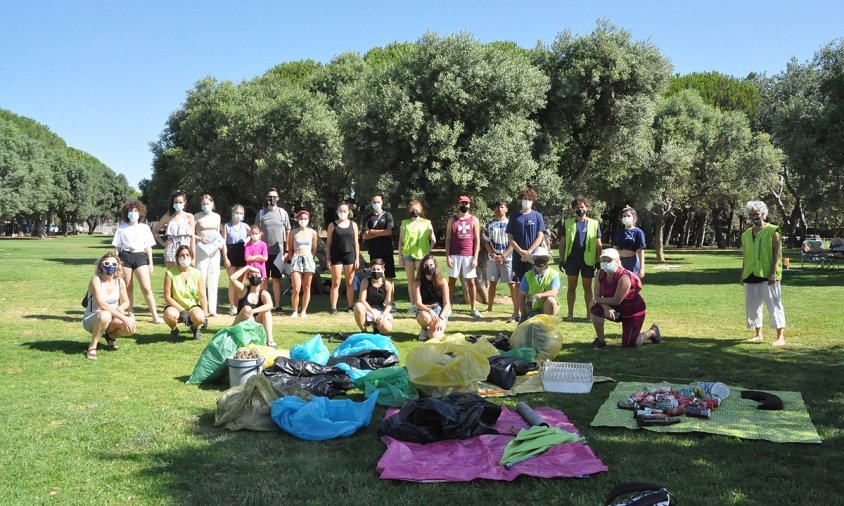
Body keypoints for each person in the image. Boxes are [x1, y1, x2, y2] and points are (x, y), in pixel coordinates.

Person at [589, 248, 660, 349]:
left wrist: (597, 301)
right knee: (595, 309)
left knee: (630, 344)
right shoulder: (599, 274)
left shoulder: (624, 277)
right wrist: (604, 306)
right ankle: (600, 341)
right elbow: (597, 296)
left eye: (609, 260)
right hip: (615, 310)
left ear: (618, 262)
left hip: (633, 312)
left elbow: (616, 300)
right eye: (603, 260)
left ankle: (653, 331)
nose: (605, 263)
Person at [741, 200, 786, 346]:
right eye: (751, 214)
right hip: (750, 274)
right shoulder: (746, 234)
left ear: (763, 214)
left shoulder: (773, 230)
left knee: (774, 304)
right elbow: (746, 255)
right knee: (752, 306)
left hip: (768, 274)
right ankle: (758, 334)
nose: (754, 217)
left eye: (757, 214)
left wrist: (773, 272)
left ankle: (780, 337)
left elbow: (777, 253)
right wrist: (742, 274)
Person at [112, 200, 162, 323]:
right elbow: (117, 248)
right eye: (130, 211)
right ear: (126, 213)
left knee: (146, 287)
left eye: (135, 211)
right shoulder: (121, 228)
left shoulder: (144, 228)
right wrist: (116, 262)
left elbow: (148, 247)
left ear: (140, 213)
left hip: (140, 257)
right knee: (128, 288)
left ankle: (155, 315)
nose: (133, 213)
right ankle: (130, 313)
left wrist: (150, 263)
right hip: (125, 257)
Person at [83, 251, 137, 360]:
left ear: (118, 266)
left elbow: (126, 302)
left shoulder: (119, 281)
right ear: (101, 265)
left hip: (112, 317)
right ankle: (92, 347)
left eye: (114, 264)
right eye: (107, 264)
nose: (110, 267)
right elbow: (102, 305)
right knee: (105, 315)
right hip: (93, 318)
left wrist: (121, 308)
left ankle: (111, 337)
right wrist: (124, 318)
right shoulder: (96, 280)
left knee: (130, 328)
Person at [559, 196, 602, 320]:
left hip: (588, 260)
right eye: (577, 207)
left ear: (587, 208)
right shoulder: (568, 223)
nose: (580, 209)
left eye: (582, 207)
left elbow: (598, 244)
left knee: (587, 288)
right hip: (572, 260)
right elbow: (562, 243)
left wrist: (598, 260)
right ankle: (570, 314)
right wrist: (561, 259)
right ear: (573, 209)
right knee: (571, 288)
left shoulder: (594, 224)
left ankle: (590, 315)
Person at [445, 195, 482, 318]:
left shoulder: (474, 220)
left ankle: (473, 308)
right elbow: (448, 239)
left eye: (466, 203)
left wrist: (476, 257)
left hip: (469, 255)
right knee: (452, 282)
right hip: (455, 254)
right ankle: (449, 307)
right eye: (462, 203)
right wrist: (447, 256)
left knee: (471, 282)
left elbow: (477, 240)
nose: (464, 206)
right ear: (458, 205)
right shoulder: (452, 220)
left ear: (469, 205)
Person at [163, 245, 208, 342]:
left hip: (192, 306)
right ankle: (174, 330)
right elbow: (167, 297)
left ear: (191, 257)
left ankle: (195, 328)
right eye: (182, 255)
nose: (185, 257)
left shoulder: (197, 273)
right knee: (169, 315)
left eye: (187, 255)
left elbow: (202, 295)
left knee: (199, 317)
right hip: (175, 306)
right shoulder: (170, 274)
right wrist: (182, 310)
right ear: (177, 258)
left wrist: (206, 314)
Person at [483, 200, 519, 322]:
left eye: (502, 207)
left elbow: (513, 243)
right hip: (493, 259)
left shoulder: (511, 224)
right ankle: (489, 308)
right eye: (497, 207)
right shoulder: (489, 225)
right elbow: (486, 242)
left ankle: (516, 309)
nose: (499, 210)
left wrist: (503, 256)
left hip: (508, 259)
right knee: (492, 283)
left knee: (512, 284)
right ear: (494, 210)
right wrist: (494, 255)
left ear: (506, 209)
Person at [257, 187, 291, 313]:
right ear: (266, 198)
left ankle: (277, 305)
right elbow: (257, 231)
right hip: (263, 253)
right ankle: (266, 305)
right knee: (264, 279)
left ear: (278, 198)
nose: (272, 199)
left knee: (276, 279)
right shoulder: (261, 213)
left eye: (274, 197)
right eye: (270, 197)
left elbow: (288, 231)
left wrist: (287, 250)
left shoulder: (283, 213)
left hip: (279, 253)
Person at [398, 200, 436, 313]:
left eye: (417, 209)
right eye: (412, 209)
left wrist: (427, 252)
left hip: (421, 255)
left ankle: (422, 303)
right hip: (407, 254)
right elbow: (400, 241)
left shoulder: (427, 222)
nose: (415, 211)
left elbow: (433, 239)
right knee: (410, 281)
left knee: (421, 280)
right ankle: (413, 304)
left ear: (420, 210)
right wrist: (400, 256)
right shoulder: (404, 223)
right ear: (409, 210)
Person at [507, 188, 547, 286]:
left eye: (529, 199)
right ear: (521, 199)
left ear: (533, 201)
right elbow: (510, 237)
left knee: (533, 283)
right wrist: (521, 252)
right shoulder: (514, 216)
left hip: (533, 257)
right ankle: (518, 302)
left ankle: (532, 302)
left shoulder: (538, 216)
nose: (527, 201)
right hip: (517, 257)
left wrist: (528, 253)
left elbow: (540, 236)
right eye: (525, 198)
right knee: (517, 284)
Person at [229, 265, 276, 347]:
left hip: (255, 323)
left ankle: (270, 341)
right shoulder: (243, 290)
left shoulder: (264, 294)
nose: (254, 276)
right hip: (240, 323)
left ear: (262, 278)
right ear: (248, 278)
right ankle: (252, 339)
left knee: (267, 312)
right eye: (251, 275)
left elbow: (270, 305)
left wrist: (253, 311)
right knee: (247, 308)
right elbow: (232, 278)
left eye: (256, 274)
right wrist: (247, 268)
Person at [326, 201, 361, 314]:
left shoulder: (353, 225)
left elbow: (356, 242)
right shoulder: (332, 225)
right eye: (340, 211)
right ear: (337, 212)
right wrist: (328, 258)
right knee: (335, 282)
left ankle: (350, 306)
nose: (342, 213)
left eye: (344, 211)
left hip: (349, 255)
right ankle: (333, 307)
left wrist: (357, 259)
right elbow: (329, 243)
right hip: (336, 256)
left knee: (349, 282)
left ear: (348, 212)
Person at [194, 194, 223, 317]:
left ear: (212, 204)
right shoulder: (197, 216)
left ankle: (212, 309)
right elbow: (191, 233)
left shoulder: (217, 217)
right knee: (201, 277)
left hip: (214, 250)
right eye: (203, 204)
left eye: (208, 203)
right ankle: (201, 307)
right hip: (201, 250)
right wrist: (199, 238)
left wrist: (220, 244)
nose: (206, 205)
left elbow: (218, 232)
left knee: (214, 277)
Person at [286, 210, 318, 318]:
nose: (303, 220)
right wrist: (291, 257)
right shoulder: (293, 232)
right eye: (301, 218)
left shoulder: (312, 232)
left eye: (305, 219)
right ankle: (294, 310)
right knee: (296, 288)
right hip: (296, 258)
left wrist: (311, 258)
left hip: (308, 258)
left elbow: (314, 248)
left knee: (307, 287)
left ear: (308, 220)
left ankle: (304, 310)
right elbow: (290, 248)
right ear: (298, 219)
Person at [153, 190, 195, 269]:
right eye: (176, 202)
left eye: (180, 202)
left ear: (184, 202)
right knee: (172, 277)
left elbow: (192, 238)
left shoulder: (189, 216)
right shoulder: (167, 216)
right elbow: (155, 231)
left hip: (186, 251)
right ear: (173, 203)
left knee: (185, 277)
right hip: (171, 252)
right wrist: (162, 243)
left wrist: (193, 256)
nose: (178, 204)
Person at [414, 255, 451, 341]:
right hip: (425, 310)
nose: (429, 267)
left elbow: (447, 304)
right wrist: (429, 311)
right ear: (422, 268)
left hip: (439, 310)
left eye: (431, 265)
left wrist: (441, 318)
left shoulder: (442, 281)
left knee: (435, 337)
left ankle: (433, 330)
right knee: (425, 318)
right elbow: (418, 303)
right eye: (426, 265)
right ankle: (424, 328)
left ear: (435, 266)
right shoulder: (417, 283)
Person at [353, 258, 394, 335]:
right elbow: (362, 300)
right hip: (367, 309)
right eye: (374, 269)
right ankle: (364, 331)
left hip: (380, 309)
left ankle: (377, 327)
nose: (376, 271)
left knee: (387, 329)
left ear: (383, 270)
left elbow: (389, 304)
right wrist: (373, 313)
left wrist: (383, 315)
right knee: (358, 306)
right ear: (370, 270)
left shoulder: (387, 284)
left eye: (378, 269)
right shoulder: (365, 282)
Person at [518, 247, 560, 321]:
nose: (540, 259)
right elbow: (521, 296)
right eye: (538, 257)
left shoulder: (554, 274)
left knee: (551, 300)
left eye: (543, 257)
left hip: (548, 310)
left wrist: (537, 296)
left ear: (547, 259)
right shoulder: (527, 275)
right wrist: (523, 316)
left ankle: (549, 327)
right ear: (534, 259)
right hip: (532, 311)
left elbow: (554, 292)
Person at [222, 204, 250, 315]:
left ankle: (239, 304)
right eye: (236, 213)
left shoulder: (245, 226)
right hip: (231, 252)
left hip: (242, 253)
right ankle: (232, 306)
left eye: (240, 213)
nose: (238, 215)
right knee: (232, 281)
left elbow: (255, 233)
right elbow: (223, 242)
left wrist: (247, 240)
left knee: (240, 282)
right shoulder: (227, 226)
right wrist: (225, 257)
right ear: (232, 213)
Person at [362, 194, 396, 282]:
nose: (376, 204)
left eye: (378, 202)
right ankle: (376, 294)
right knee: (374, 276)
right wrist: (382, 233)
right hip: (374, 251)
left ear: (382, 203)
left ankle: (389, 295)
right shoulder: (368, 218)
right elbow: (365, 235)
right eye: (374, 202)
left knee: (389, 276)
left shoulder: (387, 215)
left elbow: (389, 232)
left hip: (387, 250)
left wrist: (372, 231)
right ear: (371, 203)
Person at [612, 206, 646, 278]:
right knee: (619, 286)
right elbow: (614, 249)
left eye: (628, 216)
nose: (626, 217)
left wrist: (642, 268)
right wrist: (613, 262)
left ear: (634, 217)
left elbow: (640, 251)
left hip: (632, 262)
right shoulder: (618, 232)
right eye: (624, 216)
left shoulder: (638, 232)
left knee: (632, 286)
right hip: (620, 262)